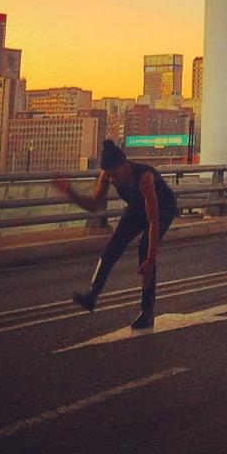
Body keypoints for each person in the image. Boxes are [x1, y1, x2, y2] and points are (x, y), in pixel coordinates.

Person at [51, 139, 177, 330]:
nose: (113, 180)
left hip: (163, 208)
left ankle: (147, 312)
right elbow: (94, 205)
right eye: (109, 176)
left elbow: (153, 221)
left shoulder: (144, 178)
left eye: (116, 175)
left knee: (144, 249)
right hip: (136, 207)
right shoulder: (106, 175)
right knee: (112, 248)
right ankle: (91, 296)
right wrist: (70, 191)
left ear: (125, 166)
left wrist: (150, 259)